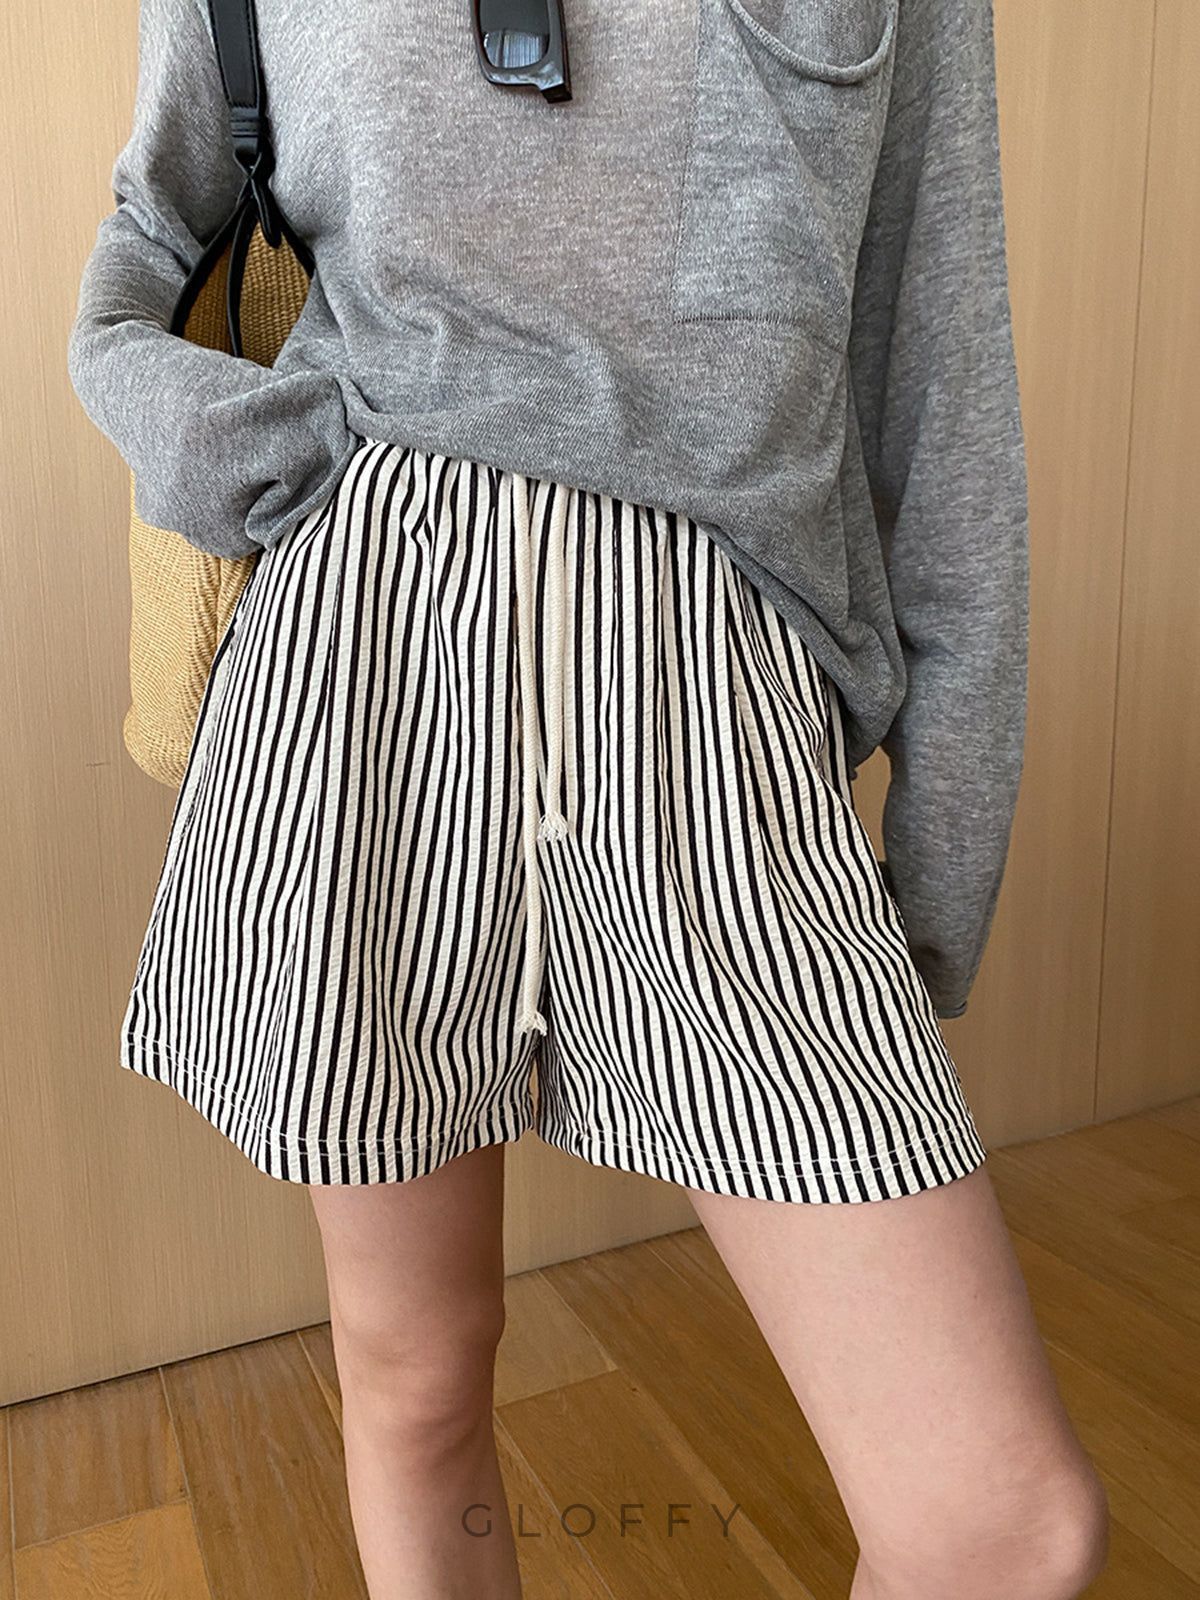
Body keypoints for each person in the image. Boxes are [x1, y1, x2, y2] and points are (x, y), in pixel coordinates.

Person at [66, 1, 1109, 1595]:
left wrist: (939, 862)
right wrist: (259, 445)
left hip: (718, 709)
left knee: (999, 1525)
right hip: (365, 667)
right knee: (416, 1378)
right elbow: (149, 245)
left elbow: (936, 364)